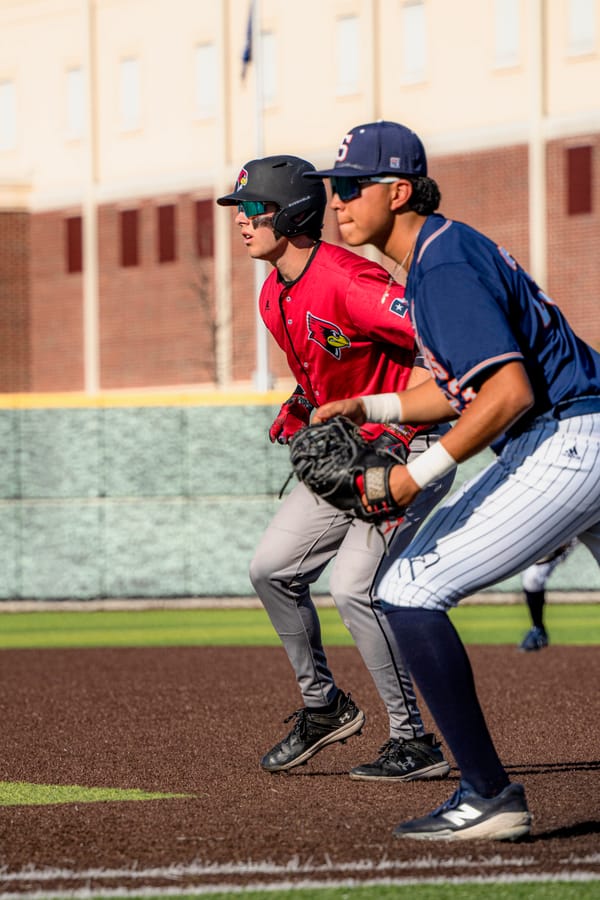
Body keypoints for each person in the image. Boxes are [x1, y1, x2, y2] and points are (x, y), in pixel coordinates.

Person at [306, 120, 600, 839]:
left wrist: (415, 476)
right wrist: (368, 403)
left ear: (398, 190)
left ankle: (488, 796)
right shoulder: (447, 250)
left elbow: (508, 394)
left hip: (567, 437)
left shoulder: (440, 267)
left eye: (350, 187)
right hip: (587, 424)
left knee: (406, 589)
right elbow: (461, 387)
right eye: (333, 189)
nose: (336, 202)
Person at [216, 155, 456, 781]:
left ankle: (414, 741)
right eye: (238, 210)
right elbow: (327, 372)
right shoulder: (274, 294)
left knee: (354, 586)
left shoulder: (349, 281)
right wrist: (300, 405)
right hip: (347, 455)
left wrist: (410, 422)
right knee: (269, 569)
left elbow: (442, 338)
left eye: (252, 209)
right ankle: (323, 707)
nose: (241, 222)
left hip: (409, 448)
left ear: (293, 214)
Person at [519, 538, 578, 651]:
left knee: (533, 577)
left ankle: (538, 629)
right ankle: (537, 629)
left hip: (572, 529)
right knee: (531, 577)